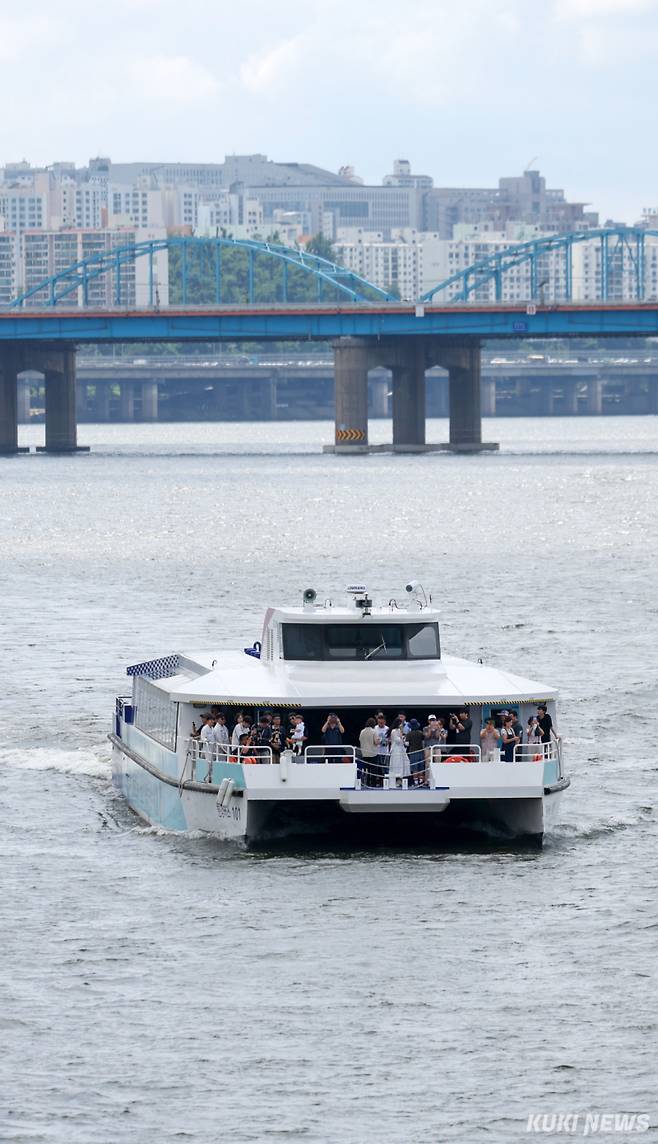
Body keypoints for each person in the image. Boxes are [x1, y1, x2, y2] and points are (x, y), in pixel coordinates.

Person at [388, 717, 410, 787]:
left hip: (401, 749)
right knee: (396, 764)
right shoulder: (394, 731)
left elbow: (402, 741)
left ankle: (401, 779)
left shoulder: (399, 731)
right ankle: (396, 780)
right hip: (396, 750)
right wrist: (402, 737)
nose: (402, 725)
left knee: (405, 763)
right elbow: (397, 741)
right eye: (401, 724)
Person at [359, 717, 378, 786]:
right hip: (372, 753)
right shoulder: (374, 731)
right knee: (373, 770)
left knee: (366, 769)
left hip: (364, 753)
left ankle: (366, 783)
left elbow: (360, 740)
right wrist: (379, 740)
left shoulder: (362, 731)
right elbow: (376, 742)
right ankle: (373, 784)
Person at [406, 718, 425, 786]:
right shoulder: (420, 733)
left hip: (413, 752)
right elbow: (423, 742)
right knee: (421, 768)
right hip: (421, 752)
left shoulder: (409, 734)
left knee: (414, 768)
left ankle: (416, 783)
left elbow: (407, 744)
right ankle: (421, 782)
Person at [373, 713, 390, 786]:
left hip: (385, 751)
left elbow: (390, 739)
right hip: (376, 751)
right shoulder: (375, 728)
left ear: (385, 722)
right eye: (379, 722)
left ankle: (385, 782)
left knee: (385, 768)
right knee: (377, 768)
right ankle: (378, 782)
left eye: (382, 723)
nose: (381, 724)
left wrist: (386, 742)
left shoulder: (387, 729)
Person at [199, 715, 215, 781]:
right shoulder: (205, 728)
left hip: (212, 748)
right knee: (208, 762)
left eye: (213, 720)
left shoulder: (212, 729)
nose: (212, 722)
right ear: (208, 721)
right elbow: (203, 738)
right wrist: (206, 740)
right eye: (211, 720)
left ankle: (211, 776)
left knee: (211, 762)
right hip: (207, 748)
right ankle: (207, 776)